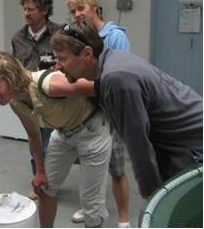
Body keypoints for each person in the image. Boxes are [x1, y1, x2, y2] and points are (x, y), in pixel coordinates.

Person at [50, 20, 203, 200]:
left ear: (87, 54)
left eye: (62, 59)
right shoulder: (112, 59)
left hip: (191, 144)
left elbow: (138, 144)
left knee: (184, 210)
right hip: (180, 136)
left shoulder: (116, 79)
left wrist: (151, 195)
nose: (57, 66)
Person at [0, 52, 112, 228]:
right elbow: (34, 136)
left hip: (92, 130)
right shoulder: (16, 101)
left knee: (91, 204)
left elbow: (99, 87)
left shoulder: (49, 84)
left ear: (11, 79)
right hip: (64, 132)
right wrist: (40, 172)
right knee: (44, 189)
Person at [67, 0, 131, 227]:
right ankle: (91, 207)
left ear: (95, 8)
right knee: (90, 165)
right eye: (73, 11)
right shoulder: (77, 36)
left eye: (81, 9)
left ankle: (123, 220)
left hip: (110, 111)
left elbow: (121, 76)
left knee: (116, 168)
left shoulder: (115, 36)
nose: (77, 14)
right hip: (85, 111)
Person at [11, 0, 61, 200]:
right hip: (26, 99)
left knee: (50, 144)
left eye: (30, 9)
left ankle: (49, 181)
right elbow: (14, 66)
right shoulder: (18, 37)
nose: (26, 13)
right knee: (35, 142)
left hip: (52, 97)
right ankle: (41, 183)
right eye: (24, 9)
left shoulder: (60, 33)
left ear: (44, 11)